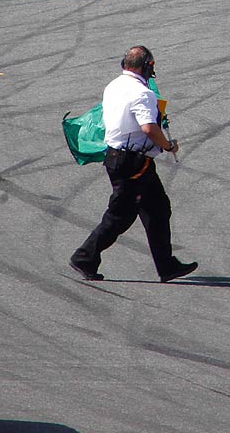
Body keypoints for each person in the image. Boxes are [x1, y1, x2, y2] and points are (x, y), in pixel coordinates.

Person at [70, 47, 197, 283]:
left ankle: (167, 265)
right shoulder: (143, 93)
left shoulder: (114, 86)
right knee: (120, 216)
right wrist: (168, 146)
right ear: (147, 66)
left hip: (121, 158)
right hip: (132, 164)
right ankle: (84, 257)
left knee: (157, 209)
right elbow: (148, 128)